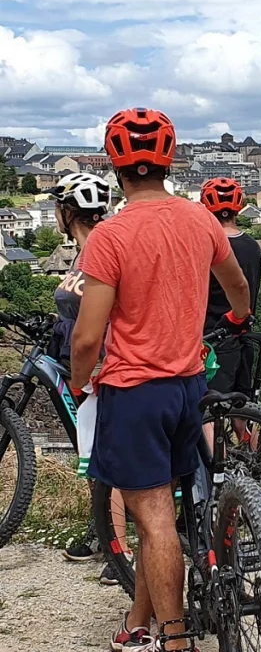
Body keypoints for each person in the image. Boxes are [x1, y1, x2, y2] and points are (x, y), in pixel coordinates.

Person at [70, 107, 252, 652]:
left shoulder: (110, 236)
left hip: (134, 388)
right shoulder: (200, 221)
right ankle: (142, 629)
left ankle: (174, 649)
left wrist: (78, 383)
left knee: (152, 520)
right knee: (164, 520)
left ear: (114, 165)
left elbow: (88, 336)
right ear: (170, 162)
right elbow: (238, 290)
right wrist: (240, 319)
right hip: (188, 385)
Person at [50, 173, 126, 586]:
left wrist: (83, 377)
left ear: (67, 212)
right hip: (95, 360)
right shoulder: (85, 252)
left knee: (104, 462)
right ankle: (105, 536)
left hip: (102, 368)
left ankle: (120, 555)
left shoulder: (98, 251)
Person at [201, 177, 261, 397]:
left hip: (211, 340)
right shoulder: (253, 247)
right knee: (243, 408)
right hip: (245, 335)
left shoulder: (207, 247)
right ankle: (250, 433)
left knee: (206, 406)